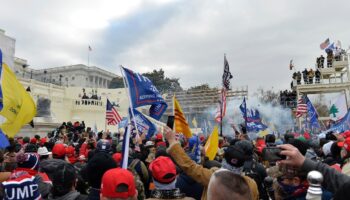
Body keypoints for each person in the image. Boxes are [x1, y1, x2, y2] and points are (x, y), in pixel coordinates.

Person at [164, 126, 259, 200]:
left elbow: (190, 166)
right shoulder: (251, 184)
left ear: (224, 160)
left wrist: (172, 141)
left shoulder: (214, 177)